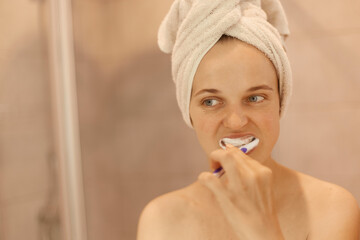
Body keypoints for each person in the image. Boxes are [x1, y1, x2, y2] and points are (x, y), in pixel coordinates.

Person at [137, 0, 360, 239]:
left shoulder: (332, 208)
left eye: (255, 97)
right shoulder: (161, 221)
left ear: (280, 102)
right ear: (188, 112)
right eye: (210, 102)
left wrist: (263, 230)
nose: (236, 122)